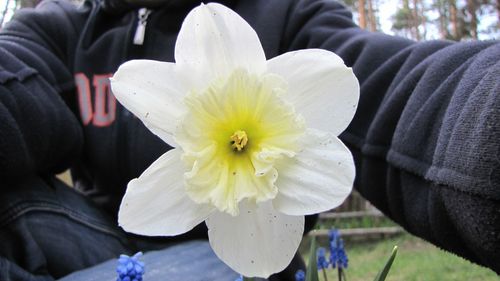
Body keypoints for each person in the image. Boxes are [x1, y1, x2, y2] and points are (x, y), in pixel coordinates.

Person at [0, 0, 498, 280]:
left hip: (226, 259)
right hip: (97, 240)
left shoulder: (285, 12)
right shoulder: (57, 28)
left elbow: (396, 91)